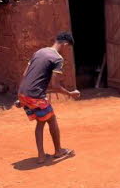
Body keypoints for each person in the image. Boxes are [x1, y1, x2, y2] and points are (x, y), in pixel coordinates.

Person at [17, 32, 81, 164]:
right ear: (65, 44)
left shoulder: (39, 52)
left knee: (41, 122)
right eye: (68, 48)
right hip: (35, 96)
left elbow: (25, 74)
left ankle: (41, 156)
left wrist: (22, 96)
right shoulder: (57, 59)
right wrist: (70, 94)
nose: (66, 51)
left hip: (23, 93)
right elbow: (55, 85)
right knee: (51, 119)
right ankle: (58, 151)